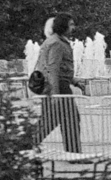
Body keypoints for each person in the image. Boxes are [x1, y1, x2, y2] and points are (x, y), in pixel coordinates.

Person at [33, 13, 84, 152]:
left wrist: (73, 81)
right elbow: (52, 69)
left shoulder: (56, 41)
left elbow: (58, 67)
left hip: (57, 85)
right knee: (70, 120)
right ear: (63, 26)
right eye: (71, 24)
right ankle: (73, 154)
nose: (74, 27)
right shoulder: (56, 43)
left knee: (51, 121)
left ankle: (22, 147)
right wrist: (55, 93)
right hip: (57, 87)